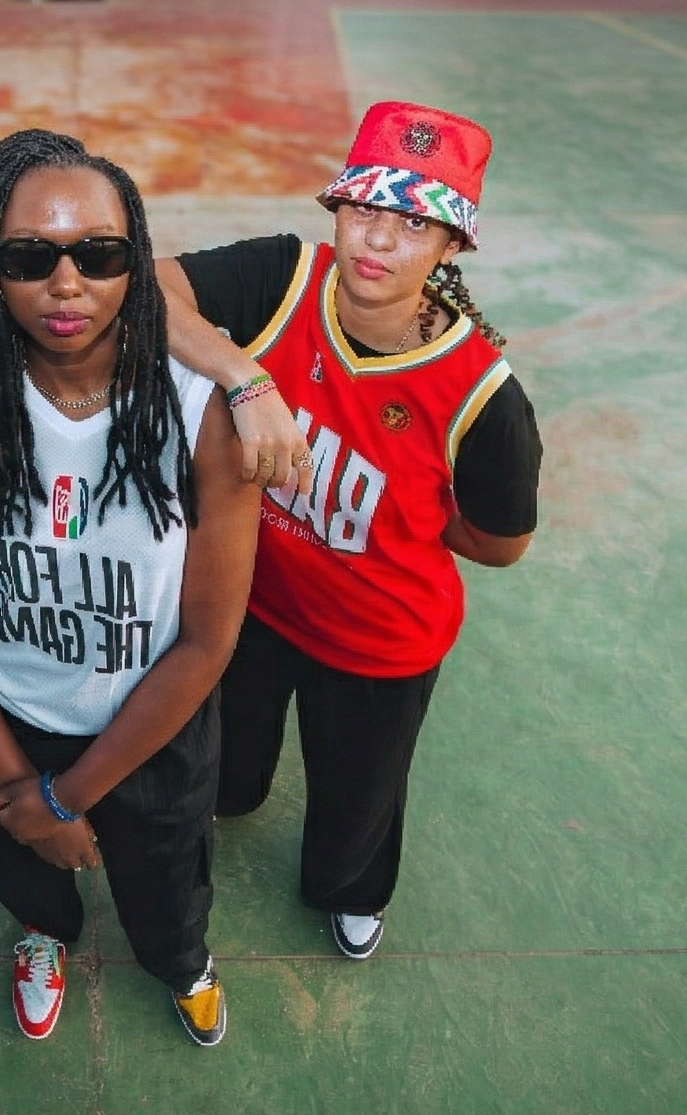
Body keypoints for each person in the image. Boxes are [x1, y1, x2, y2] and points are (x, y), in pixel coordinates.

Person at [0, 130, 261, 1046]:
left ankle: (183, 962)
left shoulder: (203, 413)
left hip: (154, 721)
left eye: (98, 255)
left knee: (168, 881)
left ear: (135, 266)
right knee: (21, 864)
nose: (67, 286)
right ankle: (41, 934)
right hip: (3, 714)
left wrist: (67, 799)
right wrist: (24, 788)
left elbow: (206, 643)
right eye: (30, 258)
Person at [166, 102, 542, 961]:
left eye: (413, 223)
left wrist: (399, 517)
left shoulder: (484, 399)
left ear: (452, 248)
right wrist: (244, 378)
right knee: (228, 775)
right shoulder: (285, 278)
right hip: (256, 603)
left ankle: (352, 891)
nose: (377, 241)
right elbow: (143, 285)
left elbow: (501, 541)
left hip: (380, 640)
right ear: (336, 209)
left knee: (357, 800)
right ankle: (230, 800)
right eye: (366, 209)